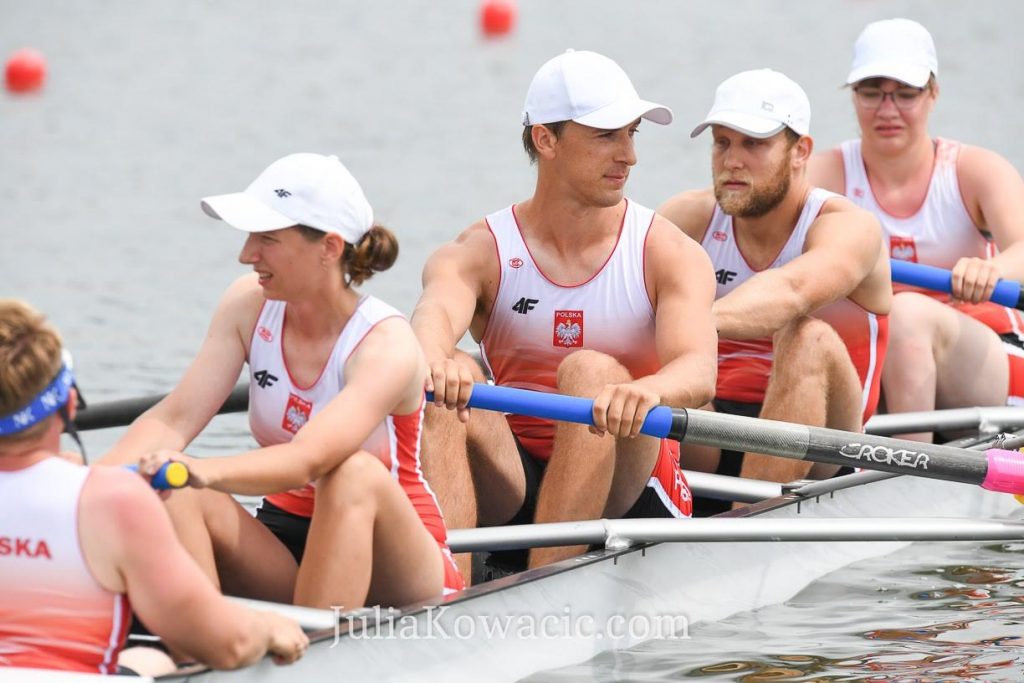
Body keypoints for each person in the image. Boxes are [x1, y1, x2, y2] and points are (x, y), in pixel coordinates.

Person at [101, 153, 463, 610]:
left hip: (395, 558)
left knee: (349, 473)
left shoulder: (385, 343)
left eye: (267, 239)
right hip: (281, 540)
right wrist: (82, 486)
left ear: (329, 248)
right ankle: (200, 648)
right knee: (172, 488)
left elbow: (307, 459)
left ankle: (311, 658)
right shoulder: (246, 304)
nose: (245, 254)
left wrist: (204, 469)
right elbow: (173, 419)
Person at [412, 49, 718, 571]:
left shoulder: (667, 252)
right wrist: (438, 358)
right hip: (517, 478)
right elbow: (430, 322)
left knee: (590, 370)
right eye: (606, 136)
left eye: (632, 134)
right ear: (545, 139)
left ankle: (542, 585)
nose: (629, 156)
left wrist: (647, 390)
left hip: (632, 483)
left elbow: (698, 369)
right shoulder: (480, 251)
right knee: (448, 378)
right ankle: (446, 600)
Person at [0, 299, 308, 675]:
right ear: (69, 402)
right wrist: (266, 628)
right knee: (154, 659)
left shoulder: (108, 493)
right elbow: (229, 646)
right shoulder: (111, 503)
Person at [658, 69, 891, 500]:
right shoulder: (688, 217)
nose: (732, 160)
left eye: (754, 144)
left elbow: (791, 293)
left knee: (808, 335)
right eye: (722, 142)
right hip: (708, 427)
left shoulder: (849, 227)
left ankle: (748, 523)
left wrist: (686, 320)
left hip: (827, 443)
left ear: (801, 151)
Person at [809, 18, 1024, 442]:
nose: (887, 110)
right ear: (853, 96)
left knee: (904, 314)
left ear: (933, 94)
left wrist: (994, 270)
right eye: (871, 92)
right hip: (881, 360)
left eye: (905, 93)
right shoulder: (825, 173)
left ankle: (908, 477)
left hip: (989, 368)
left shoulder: (974, 171)